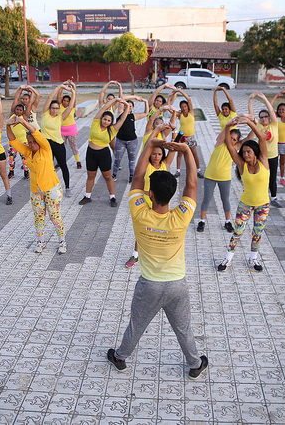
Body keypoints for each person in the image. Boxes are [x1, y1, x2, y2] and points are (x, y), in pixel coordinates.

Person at [107, 138, 208, 381]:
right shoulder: (181, 216)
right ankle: (195, 364)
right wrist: (186, 151)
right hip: (177, 284)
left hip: (149, 285)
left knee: (137, 325)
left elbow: (137, 178)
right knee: (183, 328)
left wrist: (150, 144)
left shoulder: (139, 213)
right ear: (173, 194)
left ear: (150, 194)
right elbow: (192, 183)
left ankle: (120, 357)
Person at [7, 115, 67, 254]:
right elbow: (13, 140)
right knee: (39, 217)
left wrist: (22, 122)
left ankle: (62, 241)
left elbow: (35, 132)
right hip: (36, 191)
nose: (32, 144)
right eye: (29, 142)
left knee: (54, 216)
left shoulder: (45, 148)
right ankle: (41, 242)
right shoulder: (27, 151)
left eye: (34, 142)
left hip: (51, 188)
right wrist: (8, 126)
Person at [217, 114, 270, 272]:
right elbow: (229, 145)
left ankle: (253, 259)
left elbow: (260, 136)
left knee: (257, 232)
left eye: (248, 152)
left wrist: (248, 122)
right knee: (238, 232)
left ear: (254, 152)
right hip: (245, 204)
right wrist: (227, 127)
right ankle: (228, 258)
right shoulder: (241, 165)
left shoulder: (264, 160)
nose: (245, 155)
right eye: (244, 152)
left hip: (263, 205)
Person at [125, 128, 177, 268]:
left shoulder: (165, 165)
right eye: (154, 154)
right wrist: (158, 130)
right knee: (142, 228)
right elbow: (147, 147)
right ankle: (135, 254)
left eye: (159, 154)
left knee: (161, 228)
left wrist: (175, 134)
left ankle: (160, 254)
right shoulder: (146, 165)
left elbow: (173, 148)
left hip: (161, 202)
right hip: (145, 202)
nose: (156, 156)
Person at [79, 97, 129, 207]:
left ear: (111, 122)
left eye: (108, 120)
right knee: (90, 175)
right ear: (102, 118)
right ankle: (87, 196)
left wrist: (127, 106)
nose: (106, 121)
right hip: (91, 153)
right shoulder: (96, 122)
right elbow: (103, 109)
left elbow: (122, 119)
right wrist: (115, 100)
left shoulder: (113, 129)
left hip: (103, 154)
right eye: (105, 119)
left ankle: (112, 197)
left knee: (107, 177)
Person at [196, 120, 244, 234]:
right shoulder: (219, 144)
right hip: (210, 176)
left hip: (225, 178)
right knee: (206, 199)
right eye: (230, 137)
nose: (231, 140)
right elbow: (224, 132)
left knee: (225, 200)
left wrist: (251, 122)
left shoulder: (235, 148)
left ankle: (227, 222)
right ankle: (202, 221)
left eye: (234, 139)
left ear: (237, 142)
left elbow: (250, 137)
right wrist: (229, 125)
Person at [42, 82, 76, 197]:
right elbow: (50, 97)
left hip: (58, 144)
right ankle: (48, 187)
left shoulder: (60, 117)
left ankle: (67, 188)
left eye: (57, 108)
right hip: (46, 144)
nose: (55, 110)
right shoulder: (45, 114)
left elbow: (71, 106)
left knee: (63, 166)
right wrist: (60, 87)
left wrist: (73, 92)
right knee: (48, 166)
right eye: (53, 108)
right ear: (50, 108)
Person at [248, 91, 281, 207]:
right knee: (260, 176)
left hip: (273, 156)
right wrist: (250, 100)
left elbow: (271, 111)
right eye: (261, 117)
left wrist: (264, 98)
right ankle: (259, 196)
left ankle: (274, 197)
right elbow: (251, 117)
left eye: (266, 116)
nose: (264, 119)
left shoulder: (274, 125)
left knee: (272, 177)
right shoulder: (259, 126)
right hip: (262, 156)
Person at [112, 96, 149, 183]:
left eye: (130, 106)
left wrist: (145, 101)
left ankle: (131, 175)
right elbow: (121, 98)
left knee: (132, 159)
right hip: (120, 141)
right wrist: (134, 97)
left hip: (132, 141)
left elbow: (146, 113)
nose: (128, 107)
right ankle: (114, 174)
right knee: (117, 159)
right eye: (126, 105)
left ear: (132, 108)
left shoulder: (133, 116)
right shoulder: (120, 113)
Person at [173, 89, 204, 178]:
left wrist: (179, 90)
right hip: (181, 137)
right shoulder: (180, 115)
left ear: (188, 107)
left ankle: (198, 170)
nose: (184, 108)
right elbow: (171, 109)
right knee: (179, 154)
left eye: (185, 106)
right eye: (182, 107)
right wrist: (173, 96)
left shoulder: (191, 113)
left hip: (190, 137)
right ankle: (178, 171)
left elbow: (189, 100)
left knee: (194, 154)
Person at [58, 82, 82, 169]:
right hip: (61, 131)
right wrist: (63, 85)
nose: (65, 102)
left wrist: (73, 86)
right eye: (64, 100)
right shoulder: (59, 106)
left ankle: (78, 161)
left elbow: (74, 96)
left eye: (68, 101)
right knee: (61, 148)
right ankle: (60, 162)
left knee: (74, 147)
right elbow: (59, 94)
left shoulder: (72, 107)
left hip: (71, 130)